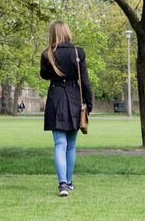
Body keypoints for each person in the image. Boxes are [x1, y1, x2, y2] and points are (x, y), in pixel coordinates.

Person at [40, 20, 93, 197]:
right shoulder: (78, 53)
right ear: (67, 32)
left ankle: (62, 184)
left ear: (52, 34)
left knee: (59, 144)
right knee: (71, 145)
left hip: (55, 98)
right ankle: (68, 182)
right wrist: (89, 104)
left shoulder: (47, 54)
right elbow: (84, 81)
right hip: (73, 98)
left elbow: (44, 75)